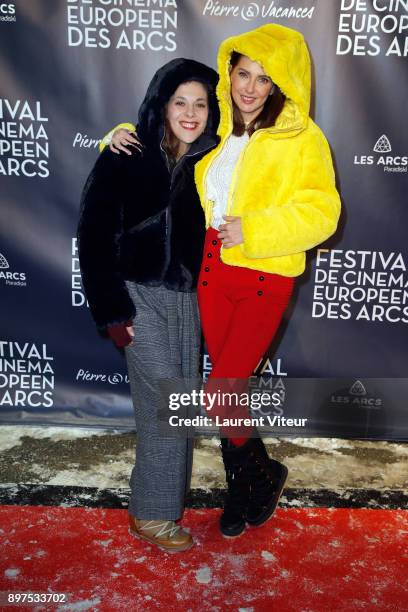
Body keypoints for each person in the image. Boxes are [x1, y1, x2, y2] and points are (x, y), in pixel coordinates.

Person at [104, 24, 341, 538]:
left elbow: (323, 213)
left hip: (264, 273)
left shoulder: (304, 138)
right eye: (242, 74)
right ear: (229, 75)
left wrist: (254, 228)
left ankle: (253, 480)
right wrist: (119, 134)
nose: (250, 87)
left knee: (221, 389)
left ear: (281, 84)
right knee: (220, 394)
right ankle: (256, 476)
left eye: (264, 77)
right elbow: (170, 136)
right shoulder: (216, 130)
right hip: (211, 275)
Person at [78, 58, 219, 552]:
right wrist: (113, 313)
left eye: (200, 104)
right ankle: (150, 516)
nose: (190, 112)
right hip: (137, 296)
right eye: (180, 101)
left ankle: (161, 502)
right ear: (161, 105)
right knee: (164, 406)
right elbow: (93, 235)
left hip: (188, 302)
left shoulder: (212, 161)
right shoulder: (126, 152)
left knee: (177, 410)